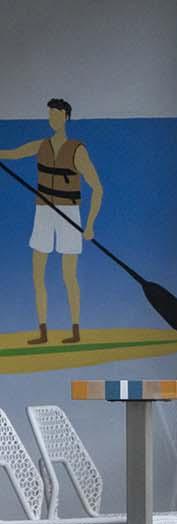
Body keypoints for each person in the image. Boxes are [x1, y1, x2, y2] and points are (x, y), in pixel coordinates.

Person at [0, 98, 104, 344]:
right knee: (38, 275)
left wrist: (90, 225)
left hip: (69, 213)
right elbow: (14, 154)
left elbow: (97, 188)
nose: (52, 119)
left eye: (57, 115)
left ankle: (75, 330)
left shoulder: (78, 151)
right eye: (50, 115)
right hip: (44, 212)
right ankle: (43, 332)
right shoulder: (41, 145)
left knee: (69, 275)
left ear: (66, 117)